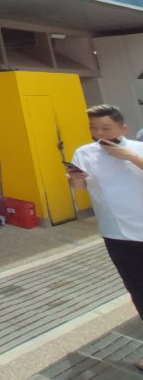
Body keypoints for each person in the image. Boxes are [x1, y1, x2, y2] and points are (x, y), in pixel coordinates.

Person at [68, 104, 143, 371]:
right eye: (93, 128)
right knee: (137, 289)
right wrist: (75, 178)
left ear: (123, 128)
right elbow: (79, 189)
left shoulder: (138, 148)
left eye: (105, 128)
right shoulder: (84, 153)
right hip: (115, 234)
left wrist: (130, 157)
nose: (98, 133)